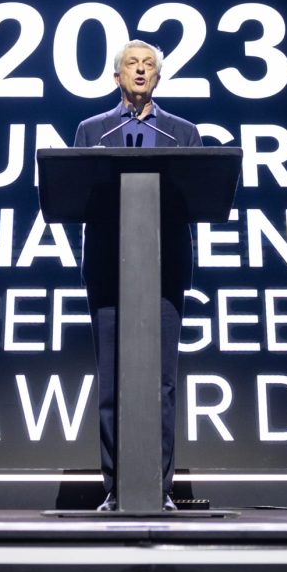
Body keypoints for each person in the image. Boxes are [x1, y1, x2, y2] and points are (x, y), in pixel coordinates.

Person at [73, 40, 201, 513]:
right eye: (133, 64)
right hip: (108, 268)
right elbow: (78, 195)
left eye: (149, 65)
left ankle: (160, 488)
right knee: (111, 380)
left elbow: (195, 197)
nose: (141, 71)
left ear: (159, 78)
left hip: (164, 270)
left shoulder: (182, 133)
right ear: (117, 76)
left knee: (163, 381)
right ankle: (116, 486)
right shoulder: (92, 131)